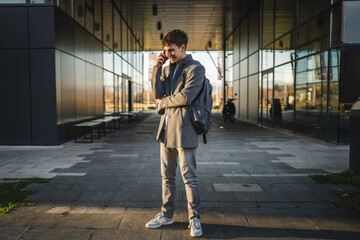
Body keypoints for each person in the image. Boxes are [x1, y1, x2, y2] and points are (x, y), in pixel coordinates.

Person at [145, 29, 204, 238]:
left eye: (171, 50)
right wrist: (156, 69)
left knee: (189, 177)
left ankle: (194, 218)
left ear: (183, 47)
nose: (168, 54)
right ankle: (166, 215)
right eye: (166, 51)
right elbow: (157, 94)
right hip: (166, 130)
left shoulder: (196, 68)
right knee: (167, 177)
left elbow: (186, 97)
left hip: (185, 130)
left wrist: (164, 103)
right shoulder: (167, 69)